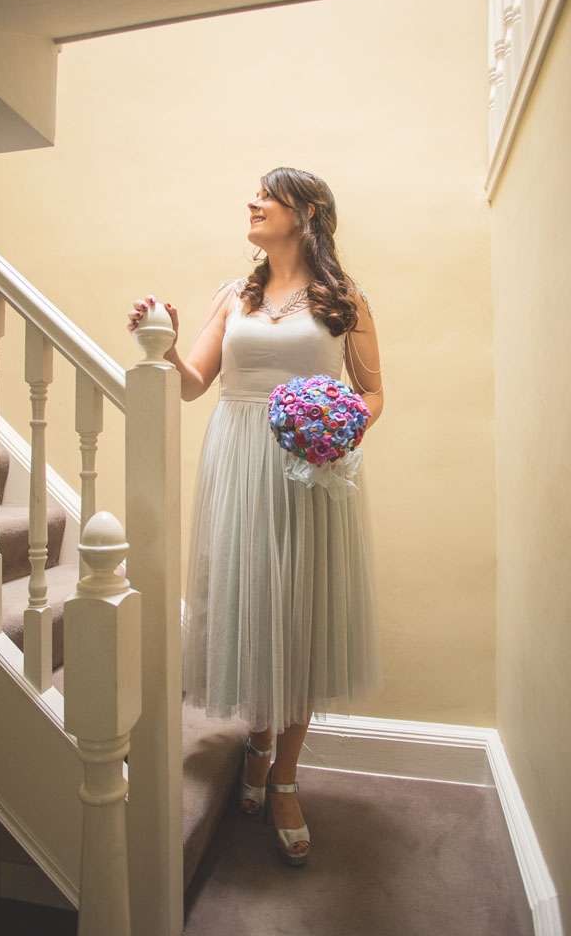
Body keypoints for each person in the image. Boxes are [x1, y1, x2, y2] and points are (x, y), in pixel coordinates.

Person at [127, 166, 385, 867]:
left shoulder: (344, 299)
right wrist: (164, 343)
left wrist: (336, 429)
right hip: (237, 460)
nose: (253, 203)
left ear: (307, 213)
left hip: (308, 470)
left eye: (268, 196)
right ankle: (259, 744)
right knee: (250, 601)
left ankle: (286, 778)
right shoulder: (232, 296)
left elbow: (372, 393)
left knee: (301, 611)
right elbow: (192, 385)